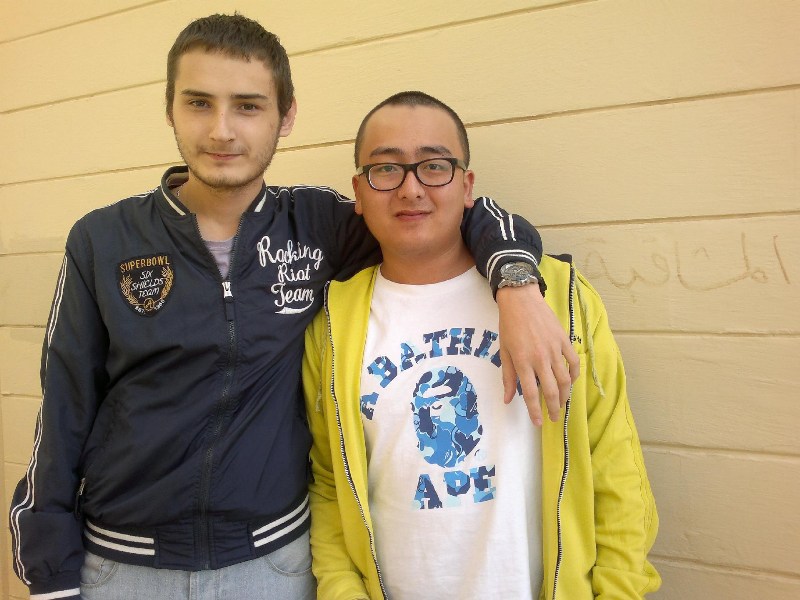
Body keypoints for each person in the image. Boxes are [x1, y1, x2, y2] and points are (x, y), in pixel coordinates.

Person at [8, 14, 579, 600]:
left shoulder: (317, 225)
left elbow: (452, 211)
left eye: (248, 106)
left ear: (285, 117)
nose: (222, 131)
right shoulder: (103, 239)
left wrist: (515, 284)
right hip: (120, 565)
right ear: (170, 109)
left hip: (275, 565)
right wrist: (51, 577)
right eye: (199, 103)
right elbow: (65, 406)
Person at [302, 91, 661, 599]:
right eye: (386, 169)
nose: (410, 189)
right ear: (358, 192)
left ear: (467, 186)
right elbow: (328, 484)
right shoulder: (332, 326)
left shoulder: (558, 300)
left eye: (434, 166)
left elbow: (614, 467)